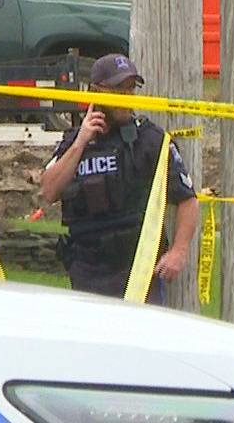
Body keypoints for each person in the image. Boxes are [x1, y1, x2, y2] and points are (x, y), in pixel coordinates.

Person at [37, 53, 197, 303]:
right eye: (118, 89)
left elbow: (188, 200)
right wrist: (81, 142)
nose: (126, 97)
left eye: (131, 88)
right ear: (96, 91)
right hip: (87, 273)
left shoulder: (151, 140)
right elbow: (48, 191)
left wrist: (178, 251)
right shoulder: (74, 142)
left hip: (138, 272)